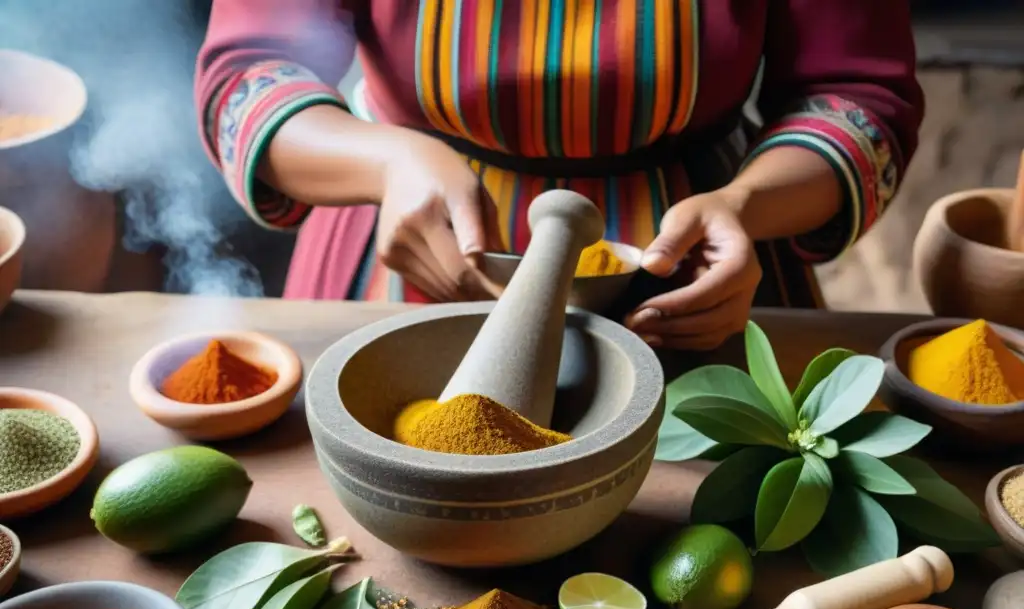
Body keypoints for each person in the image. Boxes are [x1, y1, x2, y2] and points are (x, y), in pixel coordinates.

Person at [196, 0, 922, 350]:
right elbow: (247, 79)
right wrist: (389, 161)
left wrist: (746, 205)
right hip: (409, 249)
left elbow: (858, 98)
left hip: (696, 275)